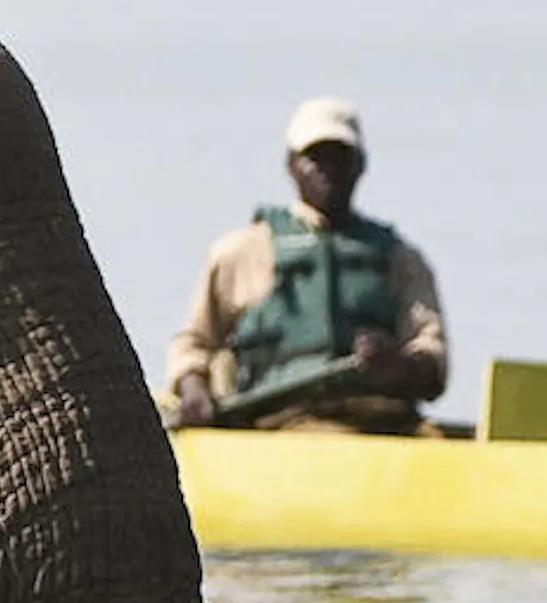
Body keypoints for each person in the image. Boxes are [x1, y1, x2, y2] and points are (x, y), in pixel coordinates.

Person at [167, 97, 447, 433]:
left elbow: (432, 355)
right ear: (291, 165)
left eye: (340, 158)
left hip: (386, 424)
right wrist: (194, 390)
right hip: (282, 424)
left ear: (361, 165)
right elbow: (194, 343)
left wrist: (399, 366)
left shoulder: (401, 259)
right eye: (315, 157)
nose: (327, 169)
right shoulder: (240, 252)